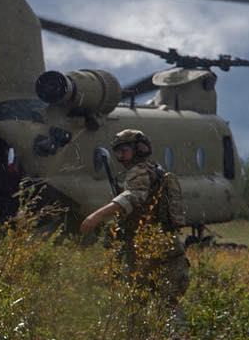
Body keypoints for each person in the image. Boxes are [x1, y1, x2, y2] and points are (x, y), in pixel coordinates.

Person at [79, 128, 189, 306]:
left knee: (138, 304)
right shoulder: (155, 170)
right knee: (167, 304)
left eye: (124, 151)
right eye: (118, 153)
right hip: (166, 244)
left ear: (138, 150)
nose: (120, 157)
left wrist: (96, 216)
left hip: (147, 247)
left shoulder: (139, 172)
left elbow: (132, 197)